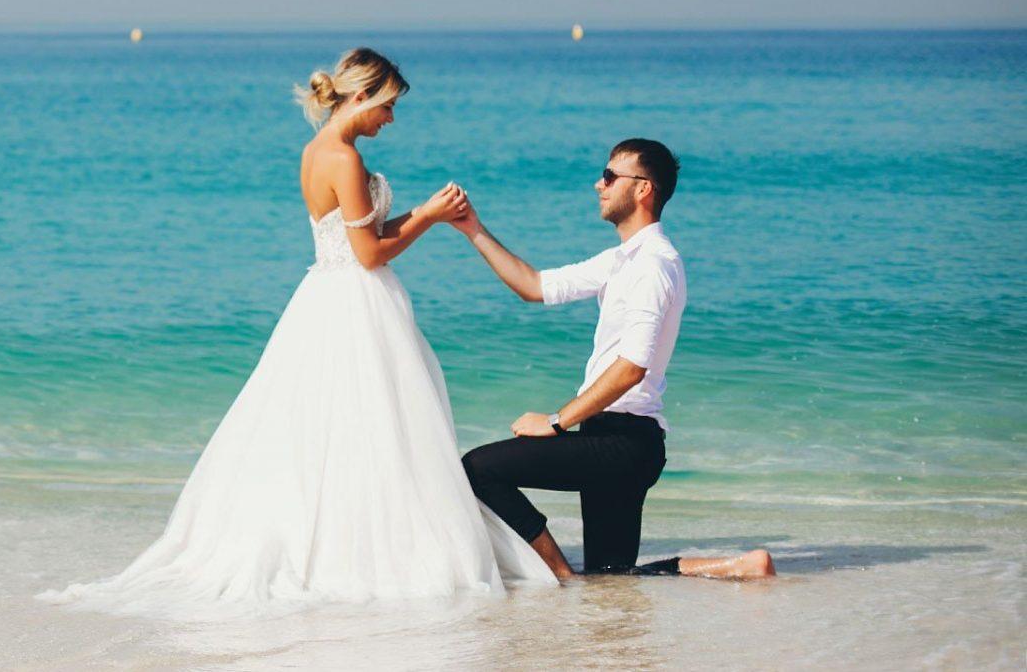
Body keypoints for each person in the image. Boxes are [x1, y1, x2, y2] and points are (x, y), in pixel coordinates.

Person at [40, 48, 555, 619]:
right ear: (361, 97)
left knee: (332, 432)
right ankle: (367, 552)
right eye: (386, 107)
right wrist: (431, 217)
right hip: (357, 304)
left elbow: (355, 232)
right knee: (376, 429)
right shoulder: (344, 159)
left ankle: (342, 536)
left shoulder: (317, 151)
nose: (390, 119)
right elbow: (369, 254)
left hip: (323, 299)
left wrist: (419, 211)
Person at [452, 139, 775, 580]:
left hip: (623, 442)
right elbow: (534, 285)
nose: (597, 185)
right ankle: (741, 566)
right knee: (611, 573)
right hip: (618, 438)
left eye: (609, 176)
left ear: (643, 189)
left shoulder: (654, 265)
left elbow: (631, 367)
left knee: (477, 469)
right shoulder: (623, 260)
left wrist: (554, 422)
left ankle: (561, 577)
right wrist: (473, 228)